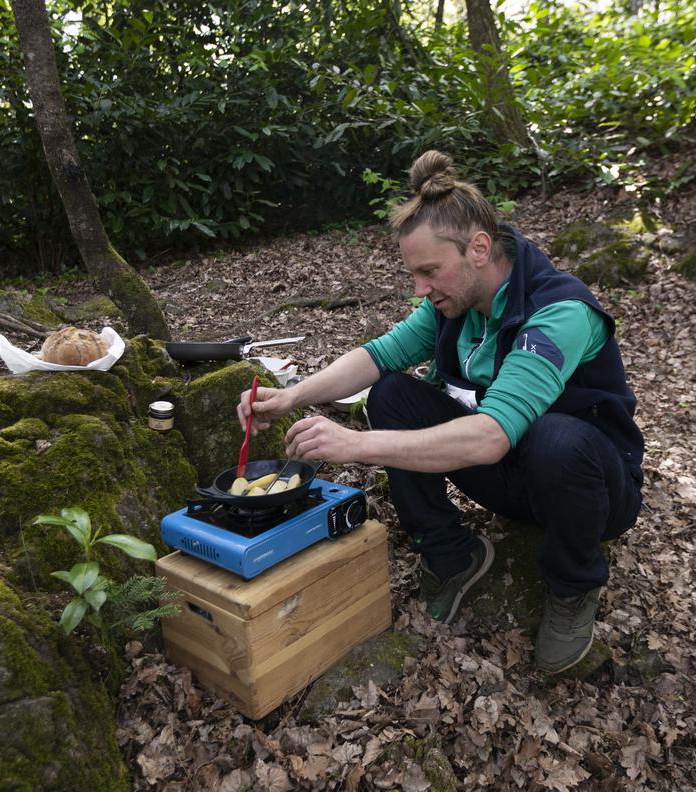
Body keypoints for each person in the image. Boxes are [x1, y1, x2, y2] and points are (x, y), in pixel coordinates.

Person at [238, 150, 644, 674]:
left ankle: (573, 587)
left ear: (478, 248)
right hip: (510, 479)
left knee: (557, 438)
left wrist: (354, 445)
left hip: (590, 489)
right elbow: (377, 355)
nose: (421, 289)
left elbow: (492, 436)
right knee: (389, 394)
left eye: (429, 271)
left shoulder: (560, 312)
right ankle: (453, 556)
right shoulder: (453, 303)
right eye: (414, 275)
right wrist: (290, 395)